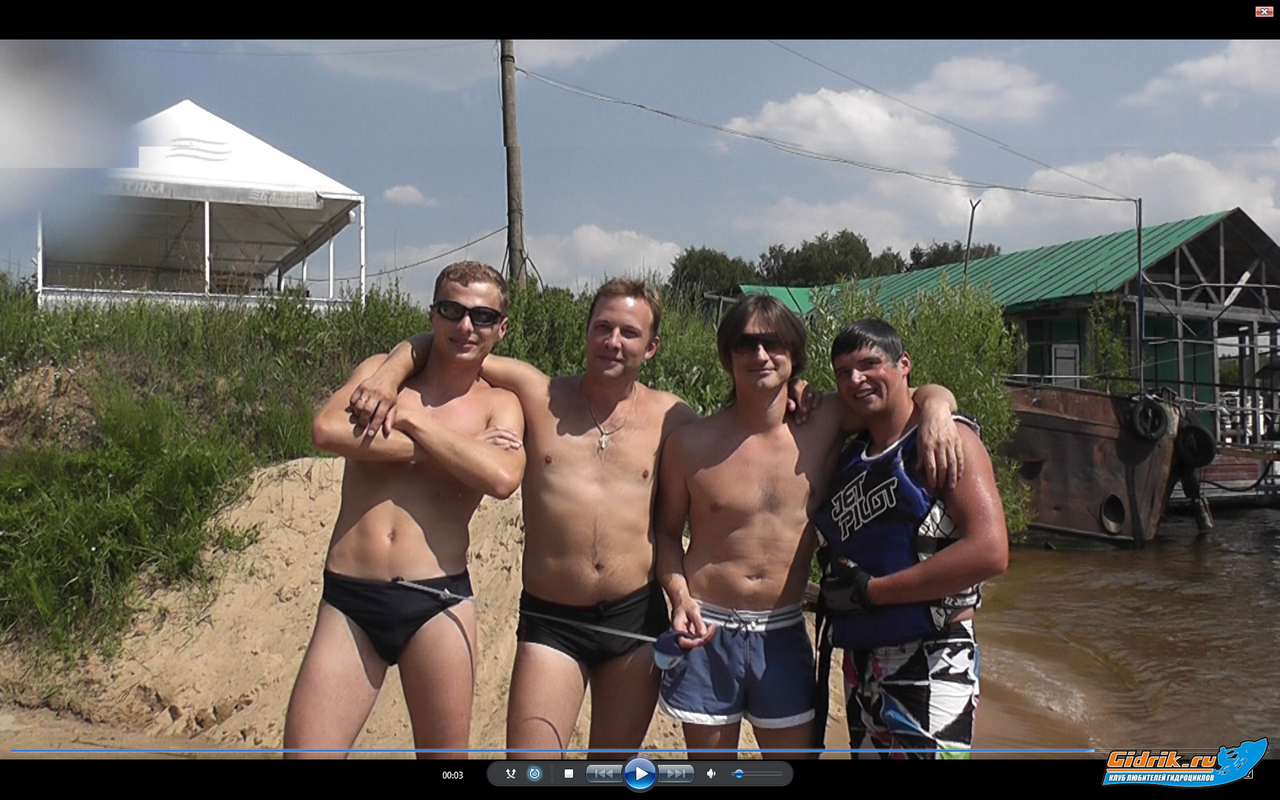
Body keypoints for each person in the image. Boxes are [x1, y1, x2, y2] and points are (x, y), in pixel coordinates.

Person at [350, 278, 698, 759]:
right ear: (586, 332)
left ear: (651, 347)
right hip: (553, 620)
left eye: (629, 333)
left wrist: (795, 394)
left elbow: (730, 434)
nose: (613, 342)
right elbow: (450, 343)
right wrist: (388, 376)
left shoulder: (673, 416)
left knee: (610, 770)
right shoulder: (538, 393)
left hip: (634, 619)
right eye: (602, 327)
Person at [654, 296, 960, 760]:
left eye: (773, 342)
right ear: (727, 355)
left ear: (794, 353)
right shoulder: (690, 444)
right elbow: (665, 535)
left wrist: (938, 408)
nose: (760, 354)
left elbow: (906, 394)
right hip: (707, 628)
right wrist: (679, 598)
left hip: (783, 628)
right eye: (746, 344)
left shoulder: (828, 420)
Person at [283, 261, 525, 759]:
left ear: (501, 328)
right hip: (349, 598)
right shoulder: (382, 374)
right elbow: (327, 429)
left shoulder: (499, 404)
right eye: (452, 310)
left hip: (437, 602)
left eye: (482, 316)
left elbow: (502, 476)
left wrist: (411, 422)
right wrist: (451, 447)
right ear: (432, 314)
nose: (466, 326)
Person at [813, 318, 1008, 759]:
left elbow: (990, 551)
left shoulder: (947, 440)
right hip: (861, 658)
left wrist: (874, 593)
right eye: (843, 372)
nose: (856, 379)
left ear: (904, 365)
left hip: (933, 653)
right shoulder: (850, 455)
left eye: (869, 364)